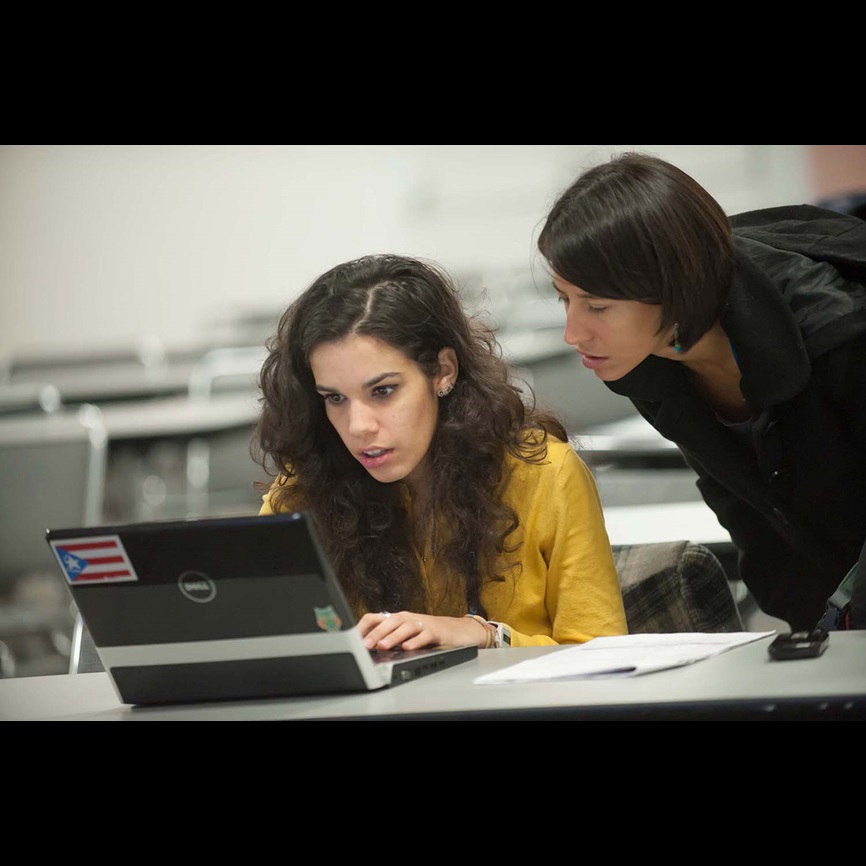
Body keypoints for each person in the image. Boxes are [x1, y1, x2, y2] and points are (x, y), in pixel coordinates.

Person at [536, 151, 866, 632]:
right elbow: (749, 510)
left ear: (671, 287)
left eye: (598, 307)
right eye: (564, 299)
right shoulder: (650, 364)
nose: (573, 333)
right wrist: (811, 634)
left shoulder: (840, 333)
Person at [253, 253, 628, 651]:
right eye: (335, 398)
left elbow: (604, 658)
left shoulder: (545, 475)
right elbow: (266, 652)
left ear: (443, 371)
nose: (358, 425)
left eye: (383, 391)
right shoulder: (299, 498)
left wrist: (488, 637)